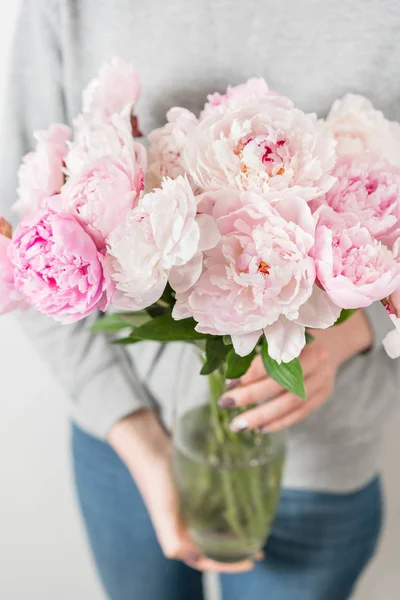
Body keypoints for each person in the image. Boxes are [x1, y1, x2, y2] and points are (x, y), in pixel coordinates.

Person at [1, 1, 398, 599]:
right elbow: (24, 241)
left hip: (321, 465)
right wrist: (141, 444)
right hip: (125, 437)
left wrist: (353, 324)